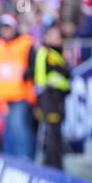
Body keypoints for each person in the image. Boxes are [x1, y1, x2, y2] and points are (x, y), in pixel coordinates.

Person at [0, 13, 36, 159]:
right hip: (3, 98)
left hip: (20, 96)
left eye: (8, 27)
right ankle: (10, 160)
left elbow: (34, 65)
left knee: (20, 129)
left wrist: (28, 73)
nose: (6, 30)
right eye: (3, 27)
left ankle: (25, 158)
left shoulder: (25, 42)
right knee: (9, 132)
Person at [34, 25, 70, 170]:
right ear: (46, 37)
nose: (58, 38)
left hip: (57, 99)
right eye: (54, 35)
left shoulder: (57, 54)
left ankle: (54, 164)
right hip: (50, 99)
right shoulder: (46, 53)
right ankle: (54, 167)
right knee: (52, 135)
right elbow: (42, 78)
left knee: (55, 134)